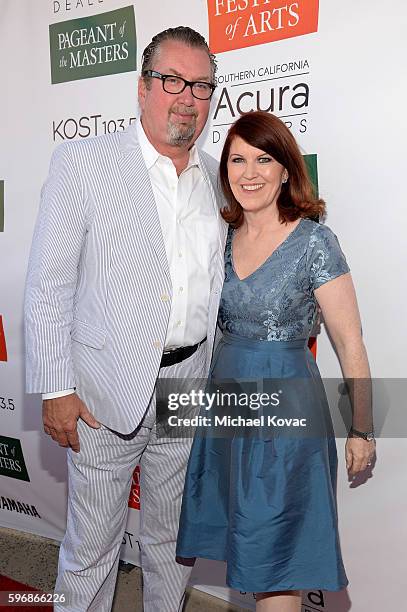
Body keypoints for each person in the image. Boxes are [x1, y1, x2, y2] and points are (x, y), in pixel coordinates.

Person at [24, 26, 227, 612]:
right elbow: (49, 282)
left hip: (188, 388)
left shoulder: (218, 179)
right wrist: (57, 388)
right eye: (172, 81)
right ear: (143, 88)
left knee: (171, 544)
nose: (186, 97)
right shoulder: (84, 163)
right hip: (102, 392)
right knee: (91, 549)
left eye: (200, 85)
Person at [175, 111, 376, 612]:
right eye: (237, 159)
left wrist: (362, 429)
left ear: (286, 169)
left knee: (277, 563)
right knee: (249, 550)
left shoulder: (314, 242)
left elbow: (350, 345)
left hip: (286, 417)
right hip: (227, 409)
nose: (249, 172)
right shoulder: (219, 240)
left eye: (263, 159)